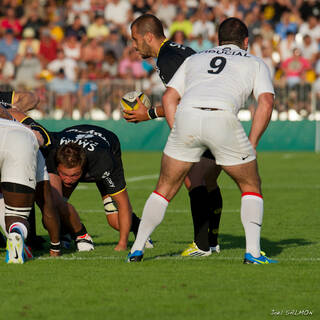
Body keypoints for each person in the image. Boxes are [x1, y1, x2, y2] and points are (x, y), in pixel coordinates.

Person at [127, 17, 277, 265]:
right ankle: (252, 252)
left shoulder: (194, 58)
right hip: (222, 118)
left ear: (218, 40)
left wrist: (179, 134)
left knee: (165, 187)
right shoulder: (255, 62)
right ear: (246, 42)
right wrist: (252, 142)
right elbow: (266, 102)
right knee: (250, 184)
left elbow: (169, 99)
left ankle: (137, 249)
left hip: (188, 117)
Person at [124, 13, 223, 256]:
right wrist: (149, 113)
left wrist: (178, 133)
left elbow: (179, 99)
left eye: (135, 40)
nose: (134, 46)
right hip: (219, 117)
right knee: (208, 180)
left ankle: (201, 246)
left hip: (201, 120)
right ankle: (211, 241)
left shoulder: (167, 59)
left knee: (193, 179)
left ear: (149, 36)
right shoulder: (179, 51)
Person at [9, 110, 153, 252]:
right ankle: (72, 234)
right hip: (72, 134)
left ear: (83, 168)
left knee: (115, 220)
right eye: (64, 174)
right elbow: (21, 116)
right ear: (58, 165)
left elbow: (124, 204)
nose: (68, 180)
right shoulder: (51, 148)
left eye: (74, 175)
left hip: (107, 144)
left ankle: (140, 228)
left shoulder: (104, 162)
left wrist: (122, 244)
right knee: (53, 208)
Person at [0, 109, 60, 263]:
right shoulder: (29, 134)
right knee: (17, 216)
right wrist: (55, 247)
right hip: (21, 140)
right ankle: (16, 233)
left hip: (19, 135)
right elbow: (47, 204)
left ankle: (14, 237)